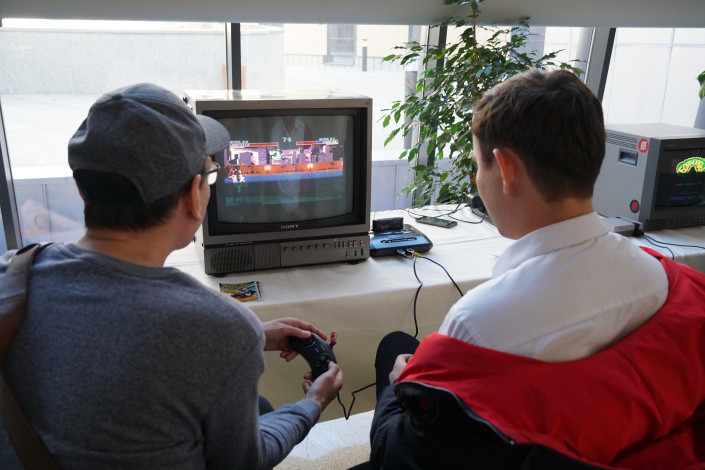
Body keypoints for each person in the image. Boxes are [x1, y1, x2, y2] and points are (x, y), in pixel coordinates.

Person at [366, 69, 705, 468]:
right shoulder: (672, 283)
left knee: (396, 351)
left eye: (478, 165)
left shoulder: (475, 324)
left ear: (506, 169)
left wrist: (399, 390)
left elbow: (401, 456)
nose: (477, 179)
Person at [0, 83, 343, 469]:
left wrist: (248, 337)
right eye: (210, 177)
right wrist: (312, 403)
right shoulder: (221, 325)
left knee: (259, 406)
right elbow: (245, 460)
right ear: (194, 197)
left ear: (83, 190)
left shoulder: (11, 276)